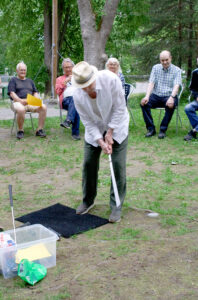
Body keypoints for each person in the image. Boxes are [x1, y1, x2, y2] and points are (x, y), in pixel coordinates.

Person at [72, 61, 129, 223]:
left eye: (89, 85)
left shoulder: (111, 80)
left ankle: (116, 205)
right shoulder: (77, 95)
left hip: (117, 125)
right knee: (89, 163)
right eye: (83, 86)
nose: (87, 89)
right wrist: (100, 140)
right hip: (95, 129)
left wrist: (110, 132)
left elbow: (120, 107)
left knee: (117, 165)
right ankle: (87, 200)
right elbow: (87, 122)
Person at [140, 50, 182, 139]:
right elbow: (151, 83)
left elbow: (177, 85)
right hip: (156, 95)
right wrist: (147, 96)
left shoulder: (177, 70)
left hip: (169, 95)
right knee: (144, 103)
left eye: (166, 59)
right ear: (160, 60)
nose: (164, 62)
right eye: (162, 60)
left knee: (171, 104)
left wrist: (172, 97)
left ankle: (163, 130)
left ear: (170, 58)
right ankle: (151, 129)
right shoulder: (155, 68)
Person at [8, 62, 47, 139]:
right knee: (21, 109)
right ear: (17, 71)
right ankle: (20, 130)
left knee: (43, 107)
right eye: (21, 70)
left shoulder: (30, 81)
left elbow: (35, 92)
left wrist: (35, 99)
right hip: (17, 102)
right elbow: (12, 93)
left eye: (24, 70)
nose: (23, 72)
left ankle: (39, 130)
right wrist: (20, 100)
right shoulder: (13, 80)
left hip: (30, 101)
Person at [55, 58, 80, 141]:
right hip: (66, 101)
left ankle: (68, 121)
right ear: (63, 69)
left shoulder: (78, 77)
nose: (68, 69)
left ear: (73, 67)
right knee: (75, 100)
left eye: (70, 67)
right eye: (66, 67)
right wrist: (65, 82)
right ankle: (75, 133)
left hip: (78, 100)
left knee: (75, 100)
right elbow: (58, 92)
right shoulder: (59, 79)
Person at [184, 58, 198, 141]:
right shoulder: (195, 73)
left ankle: (194, 131)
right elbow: (193, 89)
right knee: (188, 108)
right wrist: (196, 96)